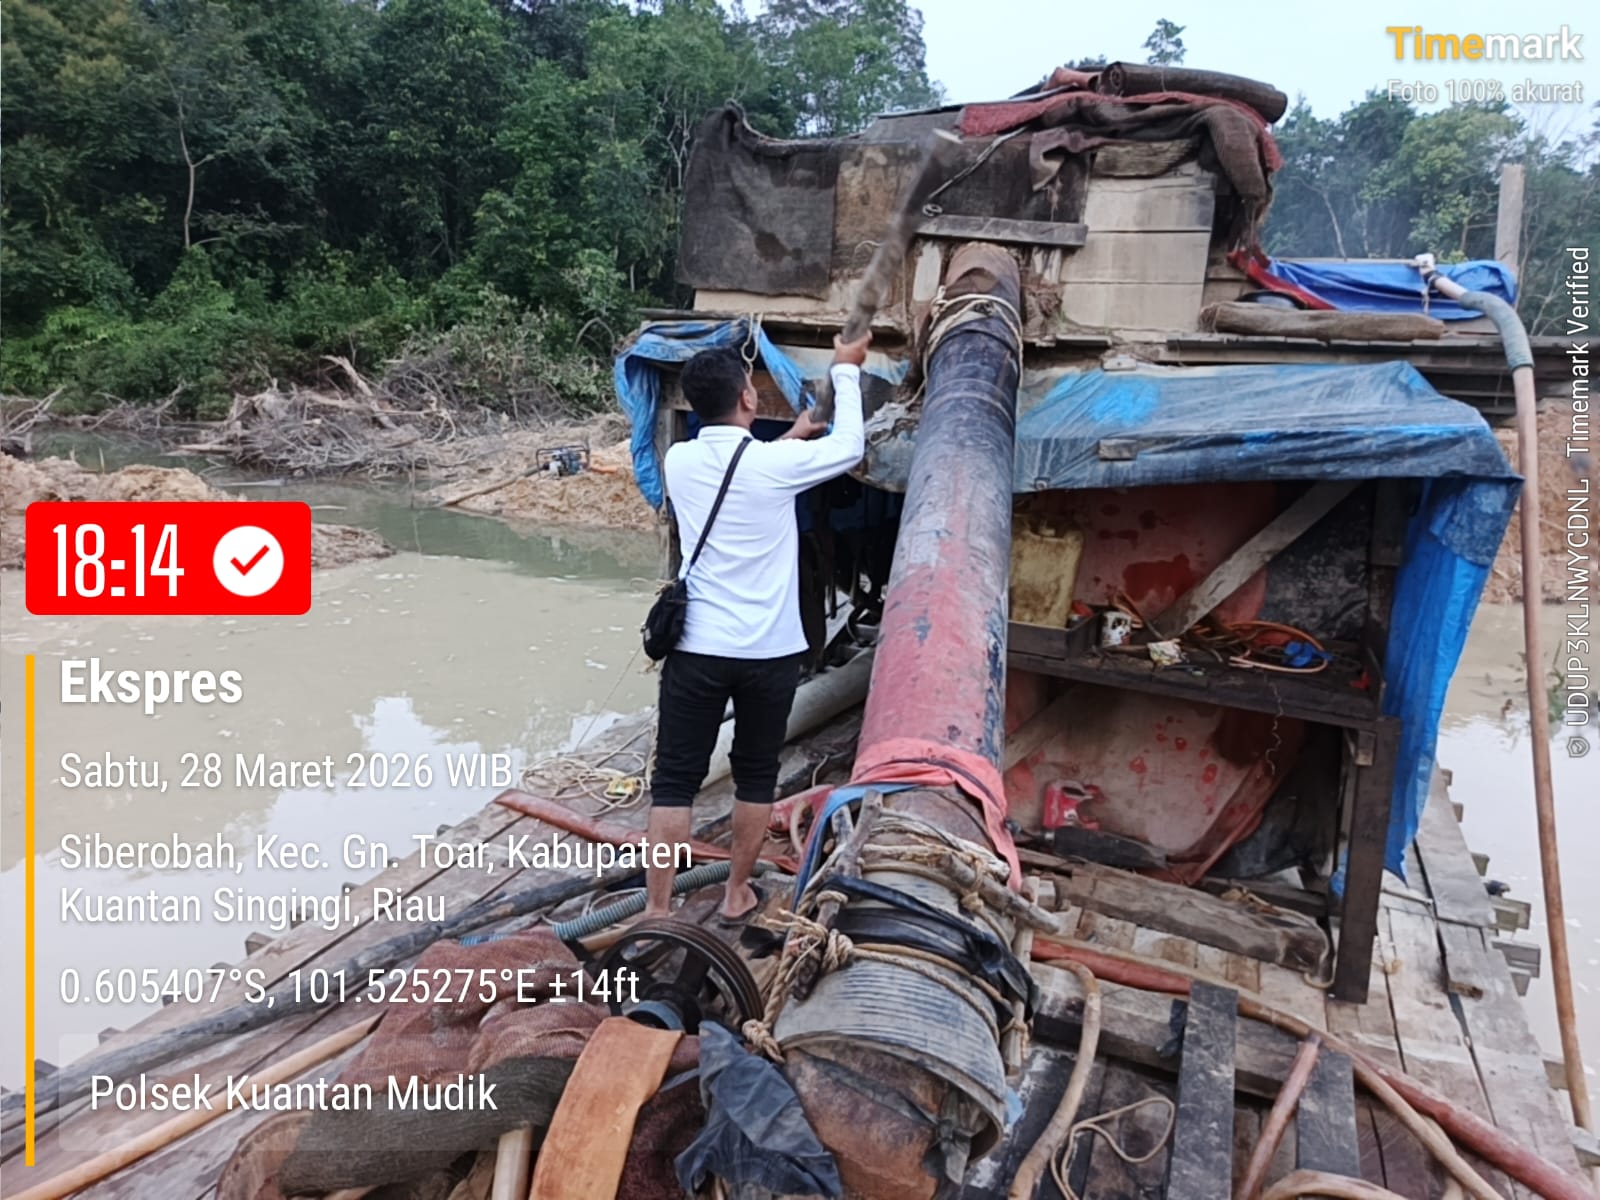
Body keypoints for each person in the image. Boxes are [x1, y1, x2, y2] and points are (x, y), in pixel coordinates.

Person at [645, 331, 871, 921]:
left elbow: (742, 466)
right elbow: (850, 446)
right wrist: (846, 368)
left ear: (696, 405)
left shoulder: (679, 460)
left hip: (696, 649)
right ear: (748, 398)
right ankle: (736, 893)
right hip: (768, 656)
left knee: (674, 782)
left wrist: (791, 437)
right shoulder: (776, 466)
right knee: (754, 776)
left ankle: (658, 908)